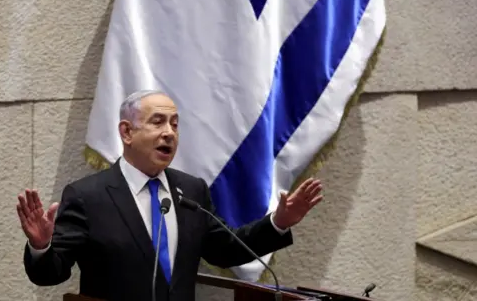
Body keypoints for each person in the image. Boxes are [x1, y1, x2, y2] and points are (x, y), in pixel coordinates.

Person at [16, 90, 323, 301]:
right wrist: (41, 246)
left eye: (175, 124)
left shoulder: (191, 190)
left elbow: (226, 250)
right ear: (126, 132)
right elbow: (50, 275)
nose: (170, 133)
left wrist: (279, 222)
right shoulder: (87, 196)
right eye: (158, 122)